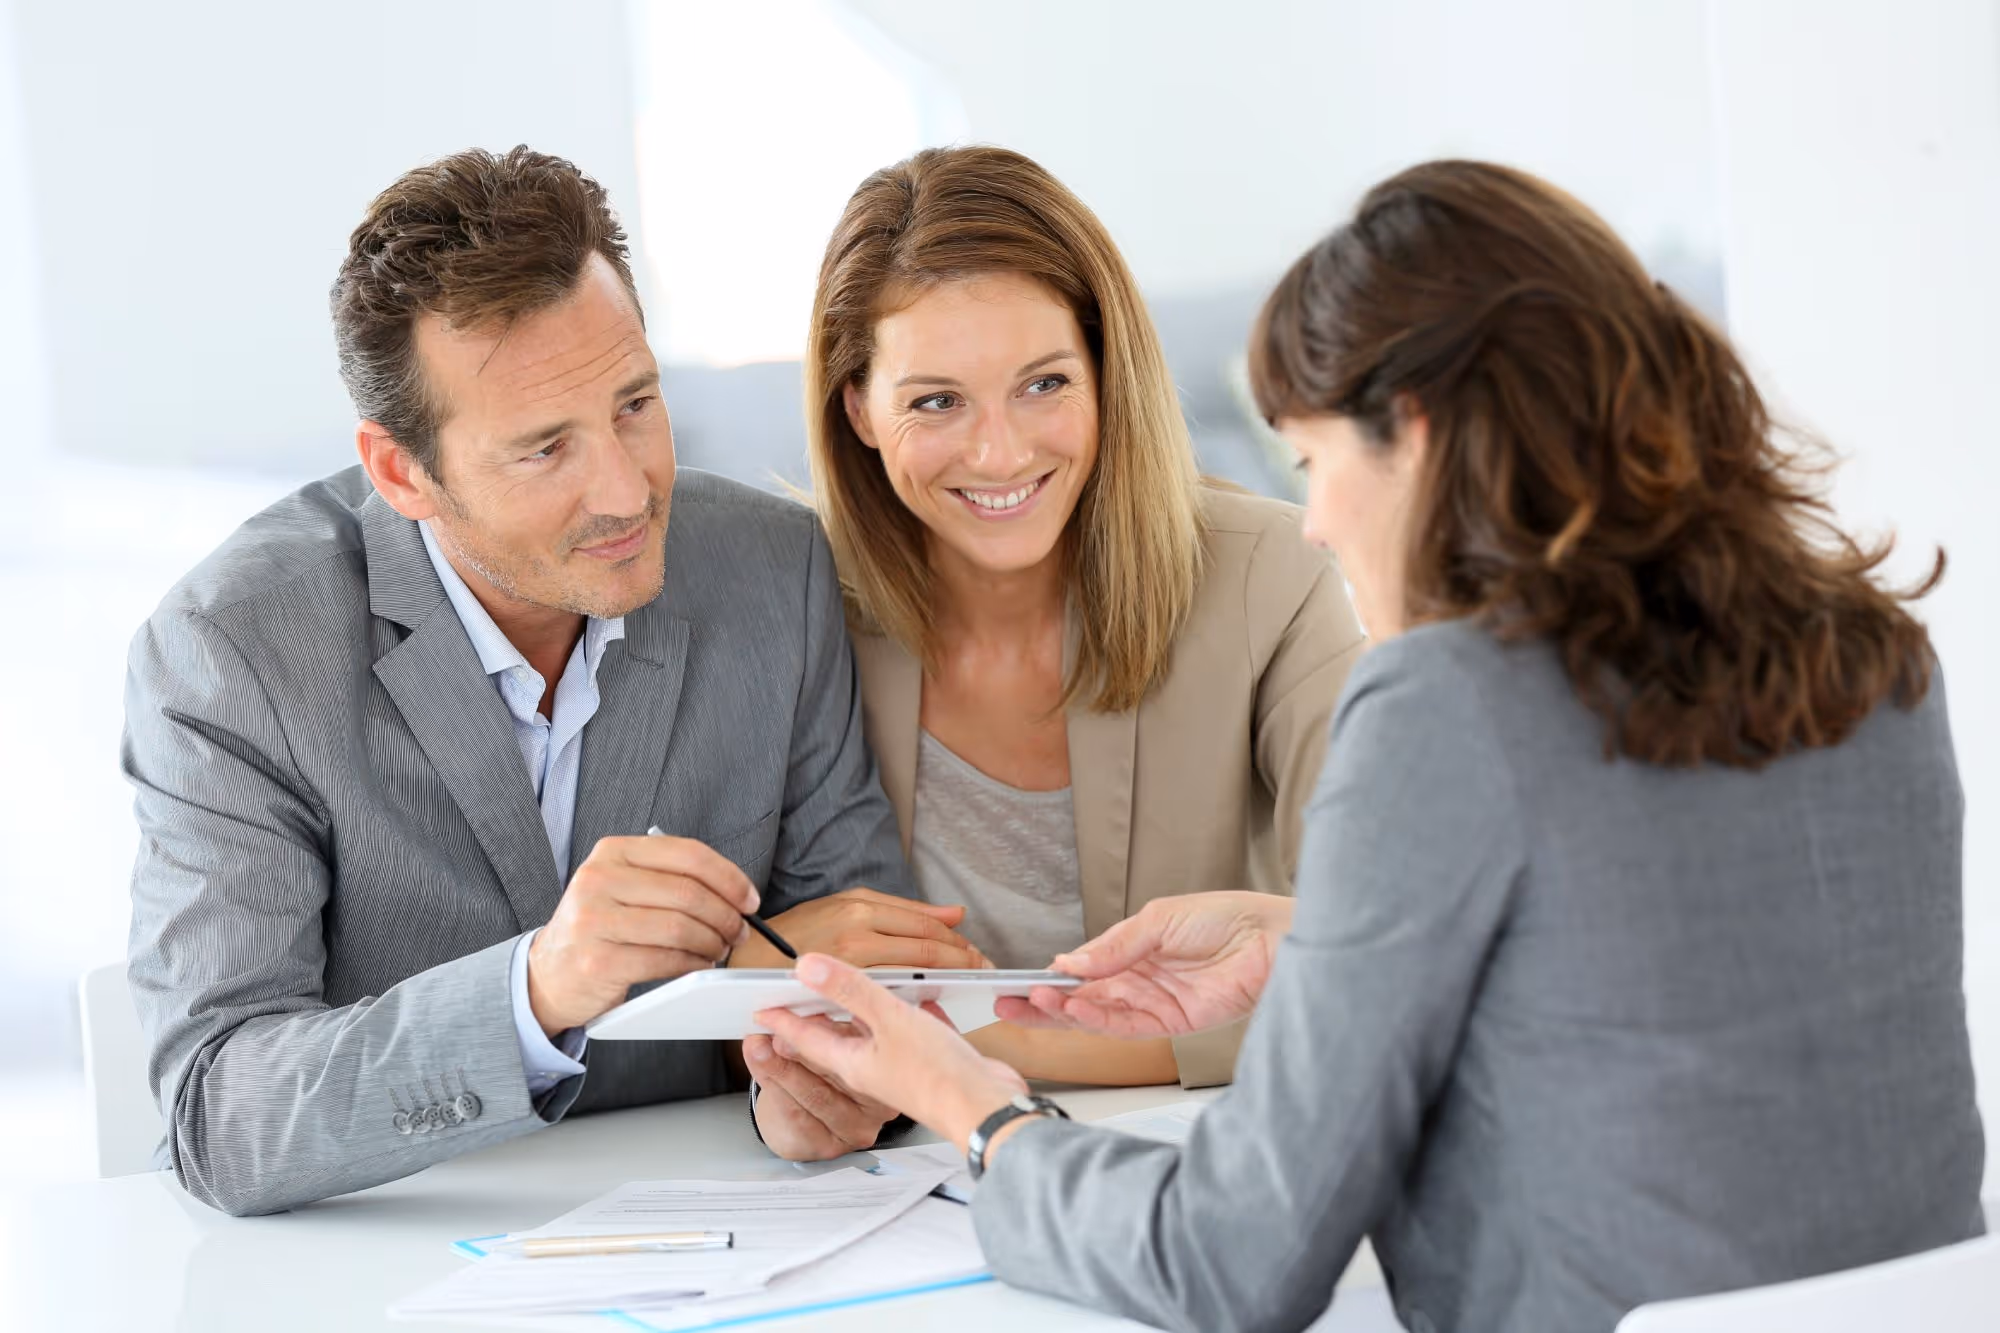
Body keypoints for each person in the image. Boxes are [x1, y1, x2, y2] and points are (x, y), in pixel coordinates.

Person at [753, 160, 1988, 1332]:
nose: (1319, 523)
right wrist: (1308, 941)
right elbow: (1651, 963)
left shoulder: (1442, 704)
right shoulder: (1870, 656)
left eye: (1313, 462)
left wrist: (981, 1115)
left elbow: (1229, 1260)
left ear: (1418, 431)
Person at [121, 146, 984, 1217]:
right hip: (381, 1266)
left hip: (728, 1236)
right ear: (401, 473)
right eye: (543, 450)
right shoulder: (235, 651)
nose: (626, 491)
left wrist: (809, 1096)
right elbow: (217, 1116)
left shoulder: (772, 569)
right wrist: (537, 989)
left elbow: (861, 964)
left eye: (633, 404)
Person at [789, 145, 1365, 1090]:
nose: (1001, 451)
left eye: (1043, 383)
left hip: (1195, 1163)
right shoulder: (801, 612)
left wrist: (971, 1055)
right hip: (886, 1185)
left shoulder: (1273, 576)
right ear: (857, 409)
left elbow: (1386, 951)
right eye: (936, 401)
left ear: (1105, 369)